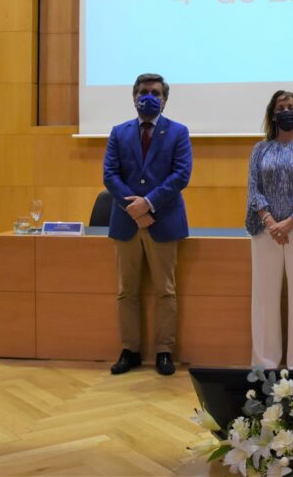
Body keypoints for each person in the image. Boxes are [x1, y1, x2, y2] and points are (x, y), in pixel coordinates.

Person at [103, 73, 192, 376]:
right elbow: (110, 175)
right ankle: (130, 350)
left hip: (163, 221)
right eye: (143, 91)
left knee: (165, 290)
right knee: (126, 291)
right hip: (126, 222)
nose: (149, 96)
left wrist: (149, 203)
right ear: (134, 96)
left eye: (155, 92)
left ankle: (164, 351)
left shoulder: (178, 132)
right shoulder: (118, 132)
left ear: (165, 99)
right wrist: (135, 208)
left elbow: (181, 175)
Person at [245, 90, 293, 369]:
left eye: (291, 106)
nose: (286, 111)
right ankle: (265, 363)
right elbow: (254, 189)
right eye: (281, 107)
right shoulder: (260, 149)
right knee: (265, 298)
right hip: (265, 231)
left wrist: (291, 220)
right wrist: (269, 221)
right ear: (273, 114)